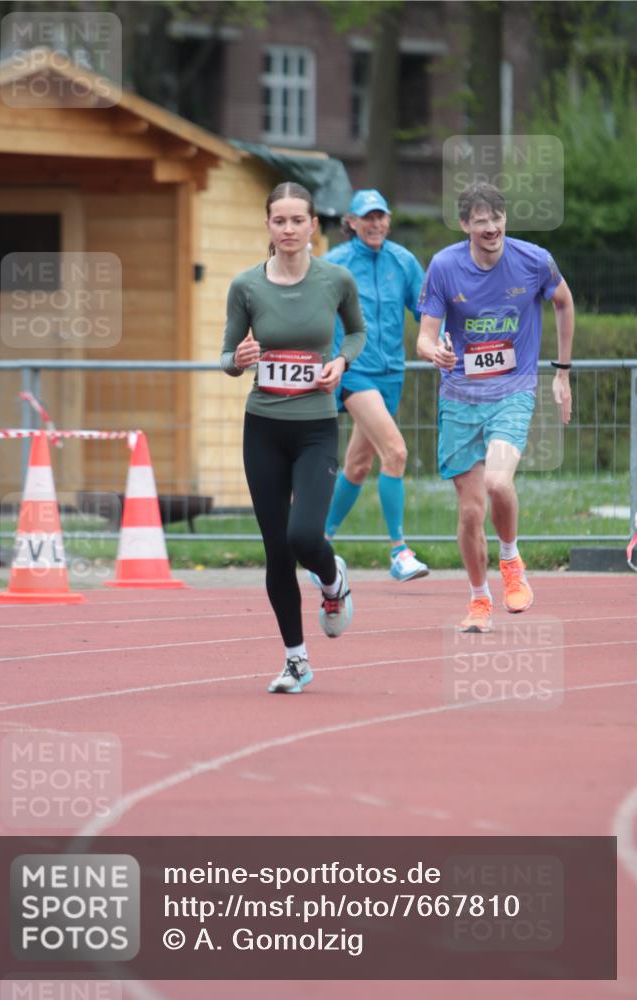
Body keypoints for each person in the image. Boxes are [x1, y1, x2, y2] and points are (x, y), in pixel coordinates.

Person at [220, 182, 366, 693]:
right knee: (277, 550)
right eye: (279, 221)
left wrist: (341, 362)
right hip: (263, 427)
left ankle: (333, 581)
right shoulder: (246, 286)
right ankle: (296, 660)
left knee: (304, 535)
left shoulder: (336, 280)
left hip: (315, 428)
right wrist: (237, 360)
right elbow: (227, 356)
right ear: (268, 225)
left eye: (297, 220)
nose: (288, 229)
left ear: (313, 226)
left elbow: (356, 332)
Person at [416, 181, 574, 632]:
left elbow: (564, 303)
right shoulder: (445, 266)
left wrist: (562, 371)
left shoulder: (534, 260)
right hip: (460, 398)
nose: (491, 228)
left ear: (506, 218)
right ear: (465, 224)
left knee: (499, 482)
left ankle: (510, 559)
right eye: (480, 220)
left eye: (497, 218)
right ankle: (479, 599)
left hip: (512, 390)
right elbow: (424, 337)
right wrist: (435, 353)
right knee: (470, 512)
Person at [323, 189, 430, 582]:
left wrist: (442, 340)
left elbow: (427, 310)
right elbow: (308, 310)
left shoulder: (403, 261)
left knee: (357, 465)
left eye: (381, 216)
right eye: (367, 217)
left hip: (392, 375)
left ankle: (318, 542)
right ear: (351, 223)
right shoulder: (335, 264)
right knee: (395, 452)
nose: (375, 224)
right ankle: (399, 551)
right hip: (355, 372)